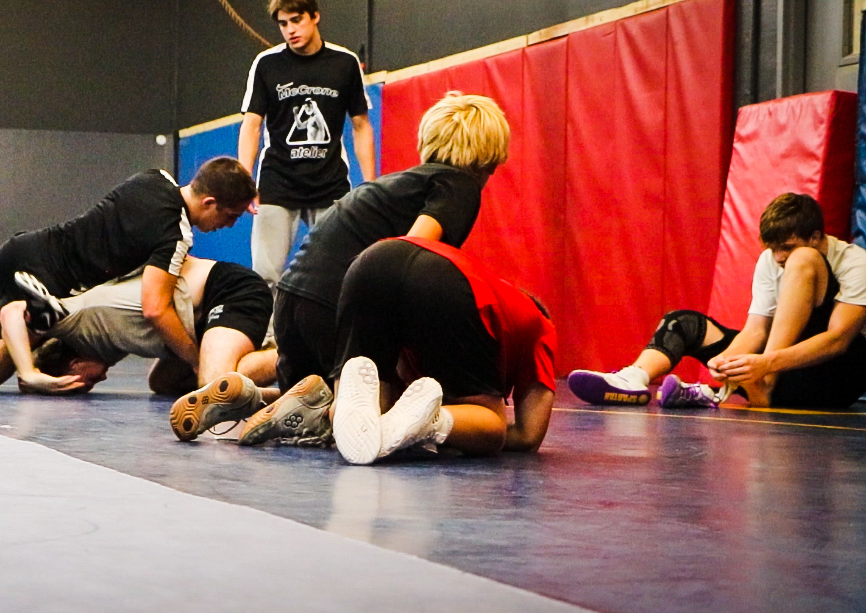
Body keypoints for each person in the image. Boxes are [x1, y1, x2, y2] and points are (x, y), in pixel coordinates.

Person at [0, 158, 257, 388]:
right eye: (231, 215)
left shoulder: (152, 178)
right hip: (61, 284)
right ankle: (39, 322)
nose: (228, 225)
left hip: (35, 244)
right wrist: (193, 358)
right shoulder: (176, 234)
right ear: (209, 202)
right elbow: (154, 307)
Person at [240, 237, 557, 465]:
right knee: (491, 428)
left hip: (372, 260)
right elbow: (528, 435)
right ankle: (429, 424)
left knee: (367, 418)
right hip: (444, 282)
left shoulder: (481, 303)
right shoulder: (538, 323)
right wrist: (451, 430)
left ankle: (319, 410)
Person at [272, 91, 510, 393]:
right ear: (490, 156)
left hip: (291, 295)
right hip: (334, 302)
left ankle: (249, 398)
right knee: (386, 405)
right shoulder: (458, 185)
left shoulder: (399, 185)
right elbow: (404, 254)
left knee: (306, 402)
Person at [568, 193, 866, 410]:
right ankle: (634, 379)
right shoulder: (771, 259)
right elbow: (756, 331)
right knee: (683, 322)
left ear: (816, 236)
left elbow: (838, 340)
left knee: (803, 261)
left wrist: (766, 363)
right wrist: (726, 362)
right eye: (772, 249)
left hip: (833, 377)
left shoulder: (855, 262)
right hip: (782, 375)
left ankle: (755, 385)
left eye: (786, 247)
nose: (779, 257)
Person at [0, 257, 276, 410]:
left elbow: (12, 312)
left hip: (225, 290)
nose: (102, 379)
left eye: (87, 382)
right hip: (194, 315)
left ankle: (293, 359)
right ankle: (281, 392)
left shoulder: (78, 324)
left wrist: (29, 373)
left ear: (73, 364)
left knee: (212, 385)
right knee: (163, 383)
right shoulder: (104, 342)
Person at [239, 0, 375, 296]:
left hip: (329, 183)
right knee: (265, 276)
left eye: (296, 20)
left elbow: (361, 125)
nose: (290, 30)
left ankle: (329, 326)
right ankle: (268, 327)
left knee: (336, 272)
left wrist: (370, 183)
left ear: (315, 17)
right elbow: (251, 125)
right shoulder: (267, 64)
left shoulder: (344, 62)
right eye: (283, 24)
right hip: (277, 182)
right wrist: (243, 181)